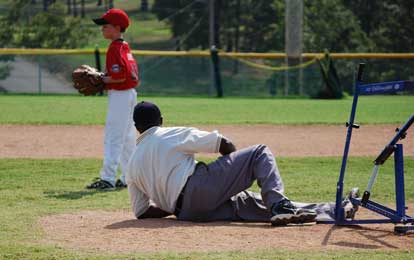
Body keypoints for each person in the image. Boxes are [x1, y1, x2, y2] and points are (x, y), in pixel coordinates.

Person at [125, 101, 357, 226]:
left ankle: (336, 211)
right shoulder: (169, 133)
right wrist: (231, 168)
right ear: (161, 121)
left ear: (136, 127)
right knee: (259, 153)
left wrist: (173, 200)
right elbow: (222, 142)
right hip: (202, 187)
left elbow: (142, 212)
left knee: (250, 203)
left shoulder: (132, 164)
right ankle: (279, 206)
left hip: (187, 212)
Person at [86, 9, 139, 190]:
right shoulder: (124, 46)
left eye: (106, 26)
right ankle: (128, 177)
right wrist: (104, 77)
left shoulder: (115, 48)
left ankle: (107, 178)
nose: (102, 29)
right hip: (129, 94)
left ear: (117, 27)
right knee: (127, 139)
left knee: (113, 137)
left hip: (120, 95)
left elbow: (120, 76)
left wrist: (101, 79)